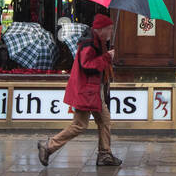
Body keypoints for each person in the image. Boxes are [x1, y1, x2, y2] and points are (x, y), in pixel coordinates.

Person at [37, 13, 122, 167]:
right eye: (109, 29)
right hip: (87, 91)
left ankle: (105, 154)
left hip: (93, 90)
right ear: (101, 29)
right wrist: (107, 58)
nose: (111, 32)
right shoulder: (89, 43)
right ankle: (48, 146)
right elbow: (87, 65)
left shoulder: (96, 41)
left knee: (104, 120)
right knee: (79, 125)